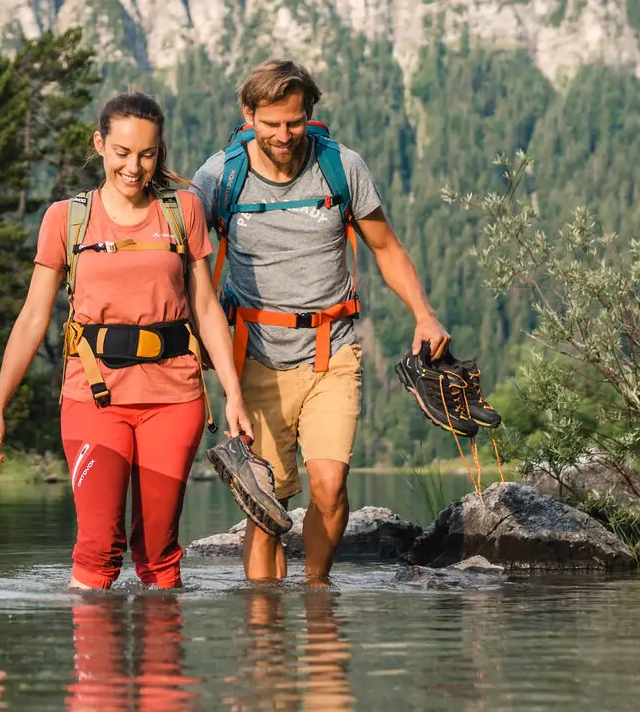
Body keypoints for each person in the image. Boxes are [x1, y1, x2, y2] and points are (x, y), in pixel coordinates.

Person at [0, 91, 253, 589]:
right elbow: (33, 317)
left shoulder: (182, 211)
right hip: (93, 398)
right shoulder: (66, 218)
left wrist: (233, 393)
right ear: (100, 144)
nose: (134, 166)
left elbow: (207, 308)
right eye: (123, 153)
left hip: (175, 397)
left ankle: (161, 664)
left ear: (159, 152)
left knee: (159, 551)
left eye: (147, 154)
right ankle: (95, 663)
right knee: (99, 546)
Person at [191, 59, 450, 586]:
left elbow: (386, 248)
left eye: (294, 122)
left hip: (333, 352)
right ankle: (265, 633)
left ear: (310, 113)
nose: (284, 135)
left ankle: (316, 595)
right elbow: (184, 264)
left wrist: (424, 314)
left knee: (329, 488)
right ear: (249, 115)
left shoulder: (342, 167)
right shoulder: (219, 176)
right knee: (266, 507)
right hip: (254, 356)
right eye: (271, 124)